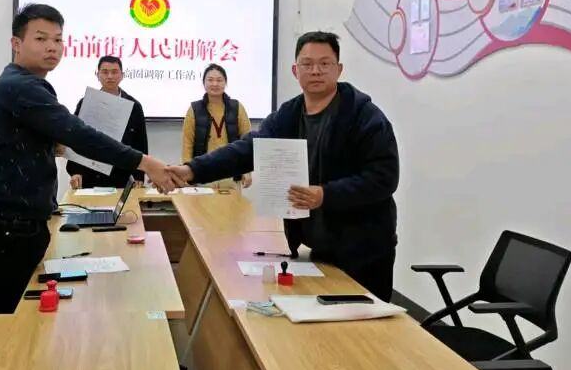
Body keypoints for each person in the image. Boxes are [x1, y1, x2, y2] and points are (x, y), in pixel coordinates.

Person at [0, 4, 177, 331]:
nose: (52, 47)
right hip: (9, 228)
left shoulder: (24, 84)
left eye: (58, 39)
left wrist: (55, 147)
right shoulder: (22, 87)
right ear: (16, 43)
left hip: (15, 222)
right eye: (41, 39)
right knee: (4, 327)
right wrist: (145, 162)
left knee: (15, 324)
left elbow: (50, 140)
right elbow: (79, 134)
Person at [167, 32, 399, 301]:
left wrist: (325, 194)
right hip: (320, 248)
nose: (315, 71)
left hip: (365, 249)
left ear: (339, 69)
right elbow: (248, 149)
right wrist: (192, 170)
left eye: (324, 63)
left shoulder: (364, 115)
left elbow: (384, 177)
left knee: (367, 323)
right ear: (295, 70)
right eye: (307, 64)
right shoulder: (290, 114)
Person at [66, 55, 148, 189]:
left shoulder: (134, 106)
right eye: (105, 72)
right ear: (97, 75)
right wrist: (75, 171)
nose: (110, 76)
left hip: (120, 174)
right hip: (89, 173)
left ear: (122, 75)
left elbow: (140, 142)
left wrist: (139, 175)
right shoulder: (86, 102)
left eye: (114, 72)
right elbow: (76, 138)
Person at [181, 63, 252, 190]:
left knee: (231, 204)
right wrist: (186, 172)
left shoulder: (237, 107)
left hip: (231, 174)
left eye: (219, 80)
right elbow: (187, 144)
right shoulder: (194, 109)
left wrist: (247, 171)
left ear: (225, 83)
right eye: (210, 80)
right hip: (202, 174)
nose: (215, 84)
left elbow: (247, 140)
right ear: (204, 83)